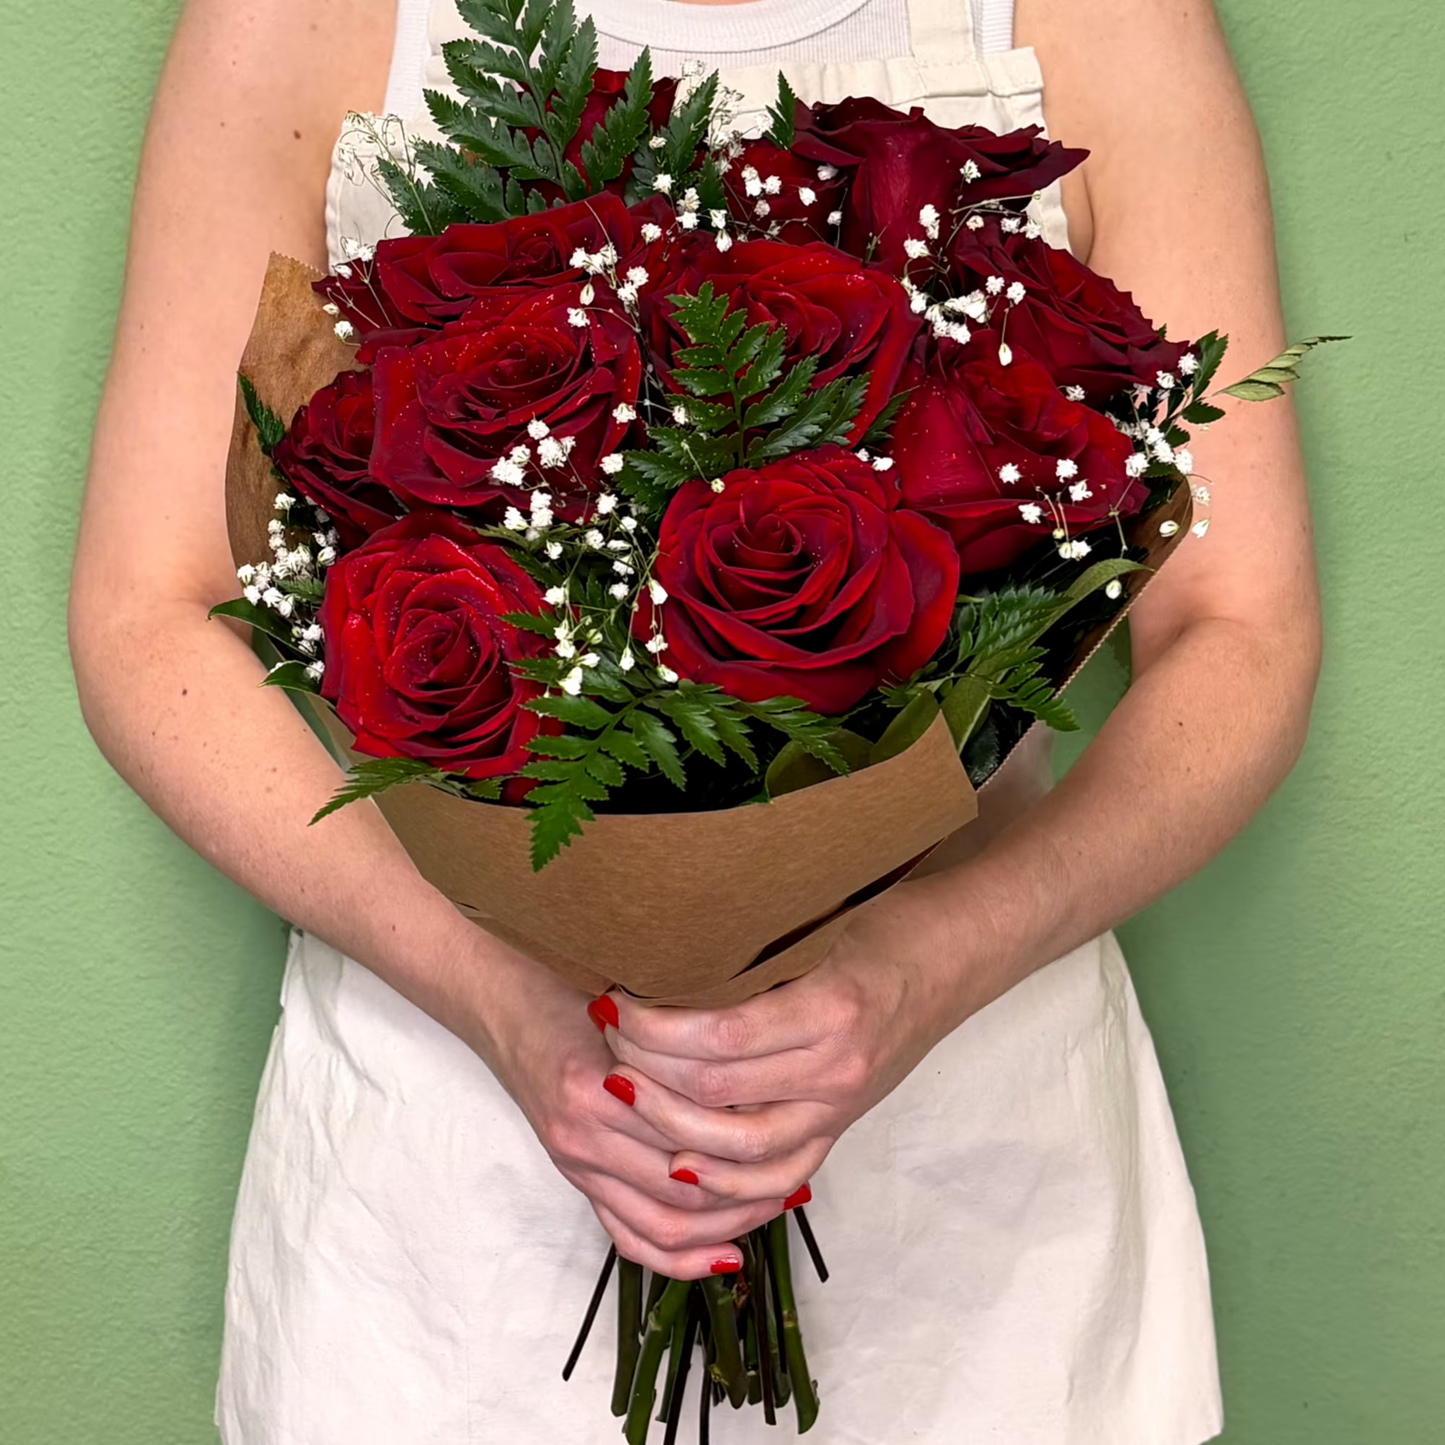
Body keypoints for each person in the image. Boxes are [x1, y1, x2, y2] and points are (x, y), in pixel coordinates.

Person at [69, 0, 1319, 1440]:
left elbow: (1242, 631)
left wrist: (921, 966)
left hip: (972, 1154)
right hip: (451, 1180)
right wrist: (504, 1000)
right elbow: (145, 612)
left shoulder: (1108, 19)